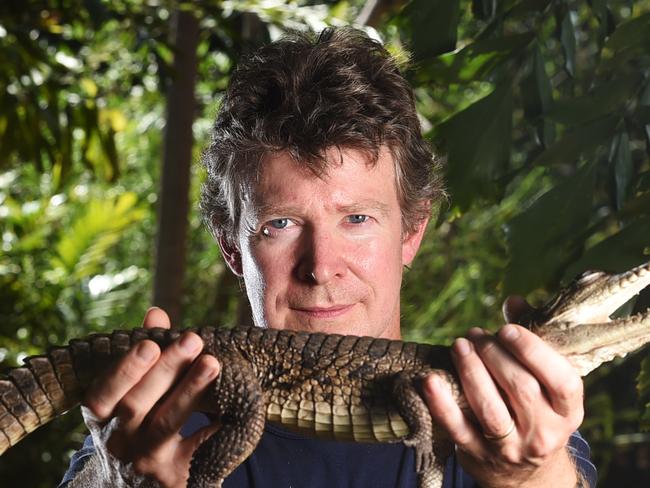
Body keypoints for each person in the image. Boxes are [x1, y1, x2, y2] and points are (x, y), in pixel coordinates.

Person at [60, 27, 596, 487]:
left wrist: (530, 477)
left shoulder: (512, 429)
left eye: (357, 219)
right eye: (280, 225)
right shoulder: (146, 429)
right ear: (232, 247)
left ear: (412, 232)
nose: (321, 266)